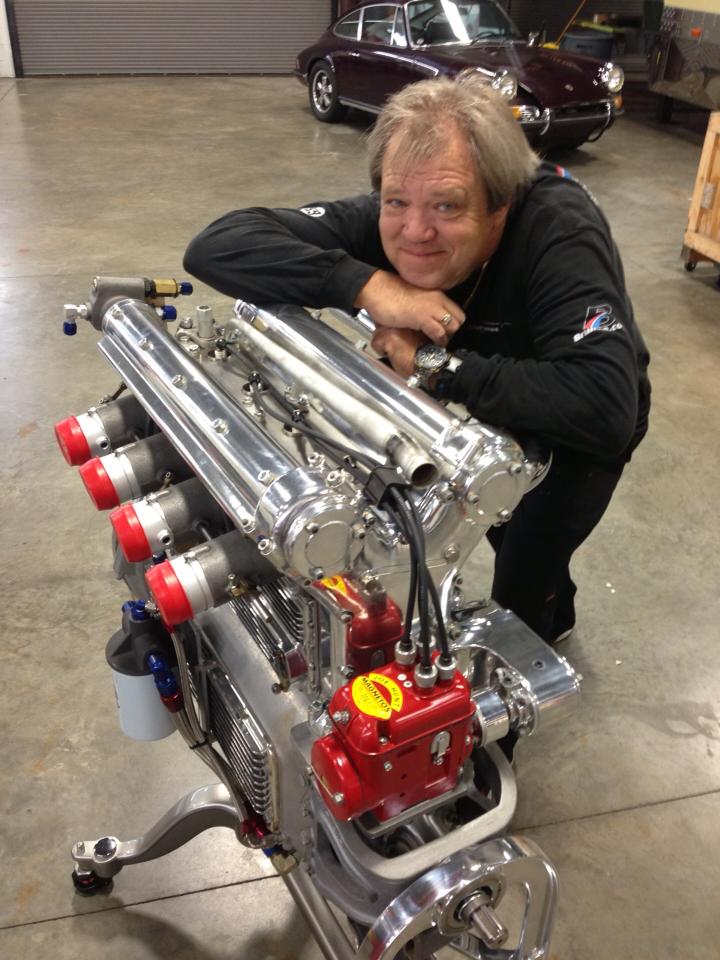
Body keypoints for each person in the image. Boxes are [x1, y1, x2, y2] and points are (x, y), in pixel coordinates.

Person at [183, 73, 650, 646]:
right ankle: (555, 598)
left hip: (573, 428)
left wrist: (430, 365)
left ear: (501, 205)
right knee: (496, 528)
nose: (415, 232)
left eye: (448, 206)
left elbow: (603, 406)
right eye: (395, 201)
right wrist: (370, 286)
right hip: (484, 403)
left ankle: (539, 636)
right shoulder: (402, 214)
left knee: (526, 562)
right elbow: (216, 245)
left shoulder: (560, 229)